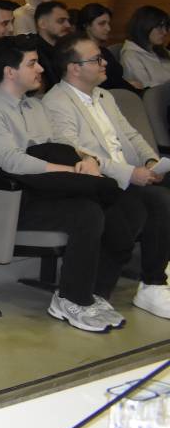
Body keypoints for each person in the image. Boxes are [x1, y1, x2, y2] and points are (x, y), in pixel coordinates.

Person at [0, 36, 143, 333]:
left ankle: (92, 293)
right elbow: (12, 163)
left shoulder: (35, 107)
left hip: (43, 190)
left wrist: (85, 160)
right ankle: (71, 298)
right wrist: (71, 170)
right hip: (6, 199)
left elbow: (61, 147)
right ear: (10, 72)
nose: (40, 69)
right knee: (88, 211)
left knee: (121, 211)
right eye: (32, 64)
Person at [44, 35, 170, 320]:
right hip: (101, 180)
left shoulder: (104, 96)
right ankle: (152, 284)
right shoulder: (56, 102)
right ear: (74, 68)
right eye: (96, 59)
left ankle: (156, 277)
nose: (104, 63)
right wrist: (130, 173)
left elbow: (131, 136)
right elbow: (76, 152)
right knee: (158, 201)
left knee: (161, 192)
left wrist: (150, 161)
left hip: (129, 173)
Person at [77, 3, 133, 91]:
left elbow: (117, 80)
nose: (108, 28)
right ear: (87, 26)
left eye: (108, 23)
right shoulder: (80, 54)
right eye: (102, 23)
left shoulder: (105, 51)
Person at [121, 6, 170, 88]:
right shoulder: (131, 56)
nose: (165, 32)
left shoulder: (159, 50)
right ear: (144, 27)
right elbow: (146, 87)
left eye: (166, 27)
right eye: (159, 27)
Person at [32, 0, 73, 91]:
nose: (68, 25)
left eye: (68, 21)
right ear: (42, 24)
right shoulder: (32, 52)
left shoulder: (69, 48)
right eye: (61, 21)